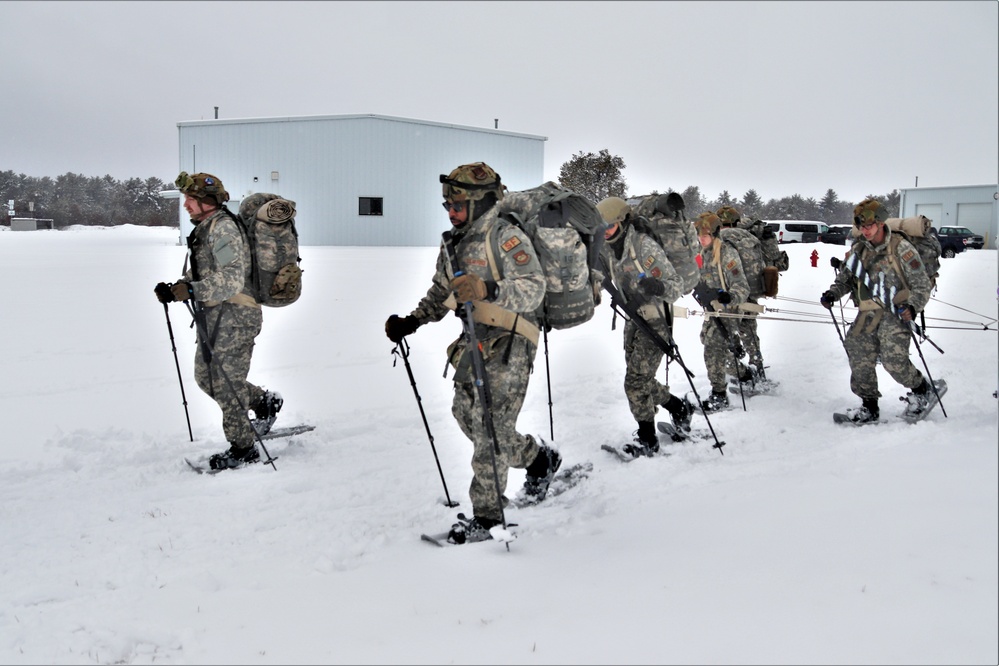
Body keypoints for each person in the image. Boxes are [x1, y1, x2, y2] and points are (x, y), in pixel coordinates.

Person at [383, 162, 561, 545]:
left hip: (513, 338)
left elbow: (534, 288)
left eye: (458, 204)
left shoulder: (505, 236)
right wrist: (413, 321)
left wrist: (488, 290)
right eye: (447, 204)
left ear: (480, 203)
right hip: (475, 340)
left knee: (491, 432)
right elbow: (440, 290)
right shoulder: (454, 242)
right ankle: (537, 458)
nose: (451, 211)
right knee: (467, 416)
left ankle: (487, 516)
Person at [154, 172, 282, 470]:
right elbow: (205, 271)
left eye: (190, 199)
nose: (185, 205)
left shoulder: (223, 229)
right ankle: (264, 403)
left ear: (206, 201)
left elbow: (232, 280)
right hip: (215, 317)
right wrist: (177, 288)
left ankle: (243, 448)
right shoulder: (206, 227)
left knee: (227, 385)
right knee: (206, 377)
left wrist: (192, 289)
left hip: (236, 317)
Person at [820, 198, 939, 423]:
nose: (865, 231)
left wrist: (912, 307)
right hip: (869, 311)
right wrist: (832, 293)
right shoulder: (859, 249)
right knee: (858, 351)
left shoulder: (901, 248)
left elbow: (921, 284)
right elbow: (846, 279)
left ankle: (922, 390)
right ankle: (869, 406)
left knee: (893, 361)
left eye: (869, 226)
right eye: (861, 226)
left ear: (881, 223)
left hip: (897, 311)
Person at [596, 196, 690, 456]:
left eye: (611, 227)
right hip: (634, 317)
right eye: (602, 228)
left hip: (656, 319)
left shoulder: (644, 246)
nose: (606, 232)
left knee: (635, 381)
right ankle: (678, 407)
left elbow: (675, 286)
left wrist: (658, 285)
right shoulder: (607, 246)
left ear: (623, 222)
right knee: (641, 378)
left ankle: (647, 439)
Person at [691, 211, 751, 412]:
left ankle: (719, 395)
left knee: (712, 347)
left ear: (715, 234)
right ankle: (743, 374)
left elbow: (742, 287)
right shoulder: (701, 253)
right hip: (712, 310)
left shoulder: (727, 254)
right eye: (699, 235)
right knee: (707, 341)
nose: (702, 239)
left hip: (729, 310)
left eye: (705, 235)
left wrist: (729, 296)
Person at [716, 205, 771, 388]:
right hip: (752, 293)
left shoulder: (722, 239)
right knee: (750, 333)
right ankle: (759, 368)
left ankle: (742, 374)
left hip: (733, 296)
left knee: (723, 336)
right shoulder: (749, 237)